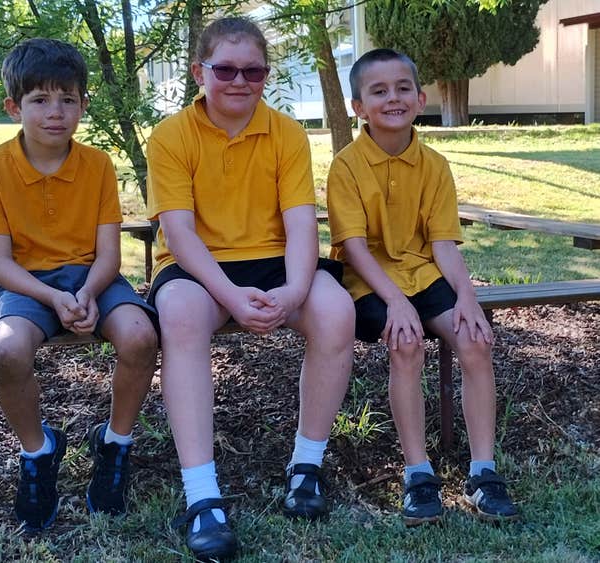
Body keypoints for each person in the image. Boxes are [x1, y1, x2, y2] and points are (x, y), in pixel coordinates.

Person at [146, 16, 355, 561]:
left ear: (266, 74)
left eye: (253, 70)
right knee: (183, 318)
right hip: (199, 265)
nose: (239, 81)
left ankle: (306, 465)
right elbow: (180, 233)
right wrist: (231, 297)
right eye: (225, 69)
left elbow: (302, 226)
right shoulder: (171, 137)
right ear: (199, 72)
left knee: (336, 311)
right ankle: (202, 496)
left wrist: (292, 291)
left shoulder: (286, 133)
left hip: (274, 261)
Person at [0, 38, 158, 532]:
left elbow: (110, 255)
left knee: (141, 335)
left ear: (83, 105)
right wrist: (53, 297)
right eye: (40, 100)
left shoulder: (96, 166)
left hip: (94, 277)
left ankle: (114, 444)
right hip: (25, 286)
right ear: (14, 107)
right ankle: (38, 451)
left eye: (68, 99)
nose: (56, 112)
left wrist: (89, 293)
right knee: (6, 351)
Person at [327, 48, 519, 526]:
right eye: (379, 91)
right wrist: (395, 301)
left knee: (475, 340)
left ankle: (483, 472)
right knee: (406, 342)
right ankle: (418, 474)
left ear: (420, 97)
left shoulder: (434, 165)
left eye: (403, 88)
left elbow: (444, 245)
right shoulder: (346, 166)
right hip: (367, 280)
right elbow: (352, 248)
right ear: (359, 107)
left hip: (424, 274)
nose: (393, 98)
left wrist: (468, 296)